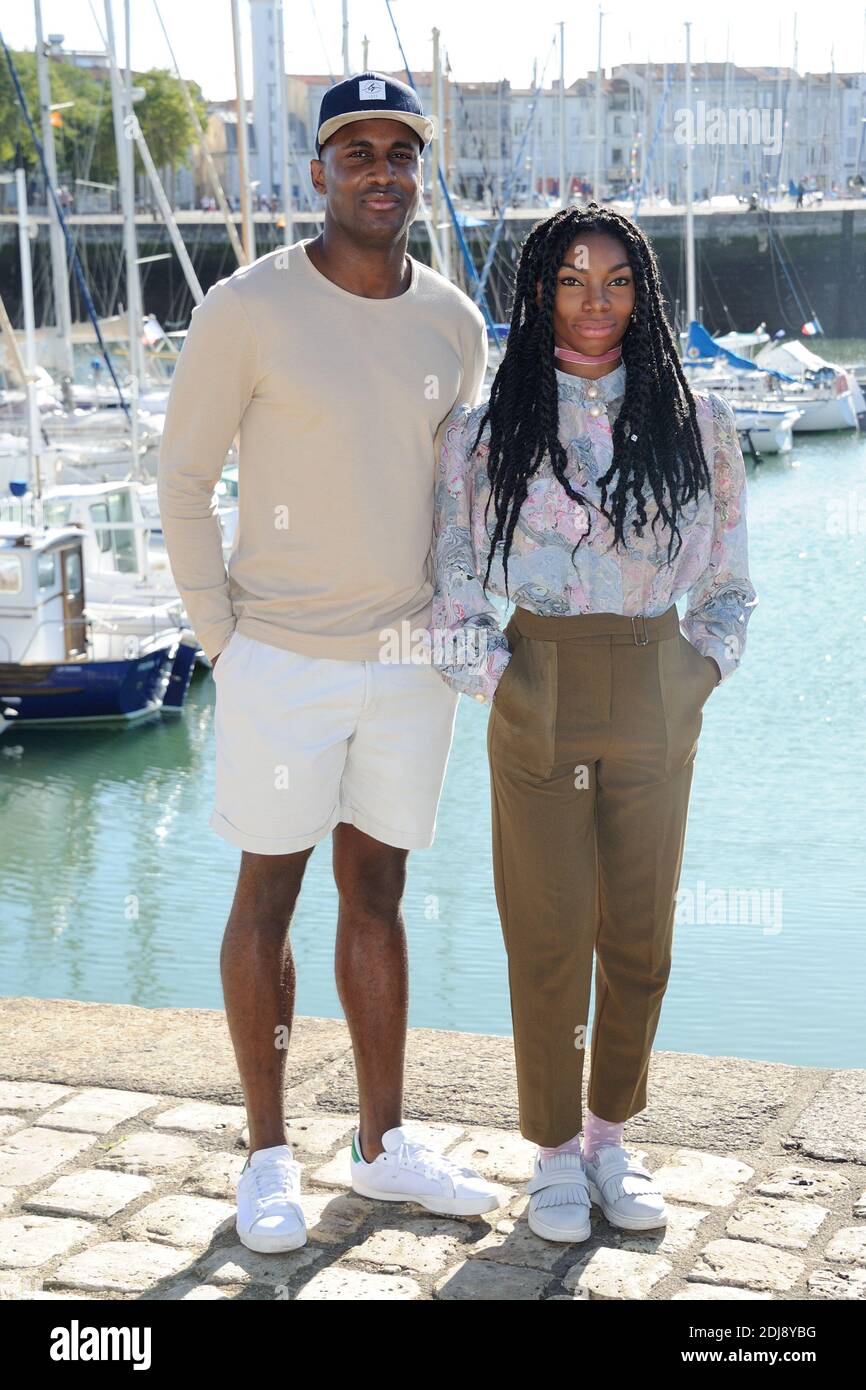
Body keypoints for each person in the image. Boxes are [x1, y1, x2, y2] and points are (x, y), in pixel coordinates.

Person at [158, 70, 502, 1254]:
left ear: (418, 173)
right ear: (315, 173)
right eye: (353, 152)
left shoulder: (454, 323)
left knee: (380, 896)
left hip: (412, 658)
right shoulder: (243, 309)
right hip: (278, 656)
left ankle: (382, 1142)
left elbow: (462, 493)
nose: (378, 171)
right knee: (268, 895)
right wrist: (221, 640)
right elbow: (182, 479)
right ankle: (264, 1155)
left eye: (397, 153)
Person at [432, 202, 757, 1244]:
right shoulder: (483, 434)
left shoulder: (697, 423)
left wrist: (696, 672)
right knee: (546, 934)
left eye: (616, 281)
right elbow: (445, 591)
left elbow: (729, 586)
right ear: (536, 293)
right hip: (537, 682)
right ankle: (551, 1154)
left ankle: (609, 1135)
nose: (593, 302)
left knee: (638, 934)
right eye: (570, 280)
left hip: (654, 679)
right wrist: (501, 682)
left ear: (642, 294)